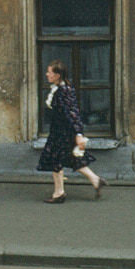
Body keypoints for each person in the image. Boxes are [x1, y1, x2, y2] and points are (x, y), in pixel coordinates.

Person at [36, 62, 104, 203]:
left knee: (56, 159)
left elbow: (73, 112)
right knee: (71, 158)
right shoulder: (59, 89)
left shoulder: (63, 91)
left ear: (57, 75)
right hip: (59, 130)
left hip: (63, 132)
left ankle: (59, 193)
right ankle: (95, 180)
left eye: (49, 72)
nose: (46, 74)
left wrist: (78, 134)